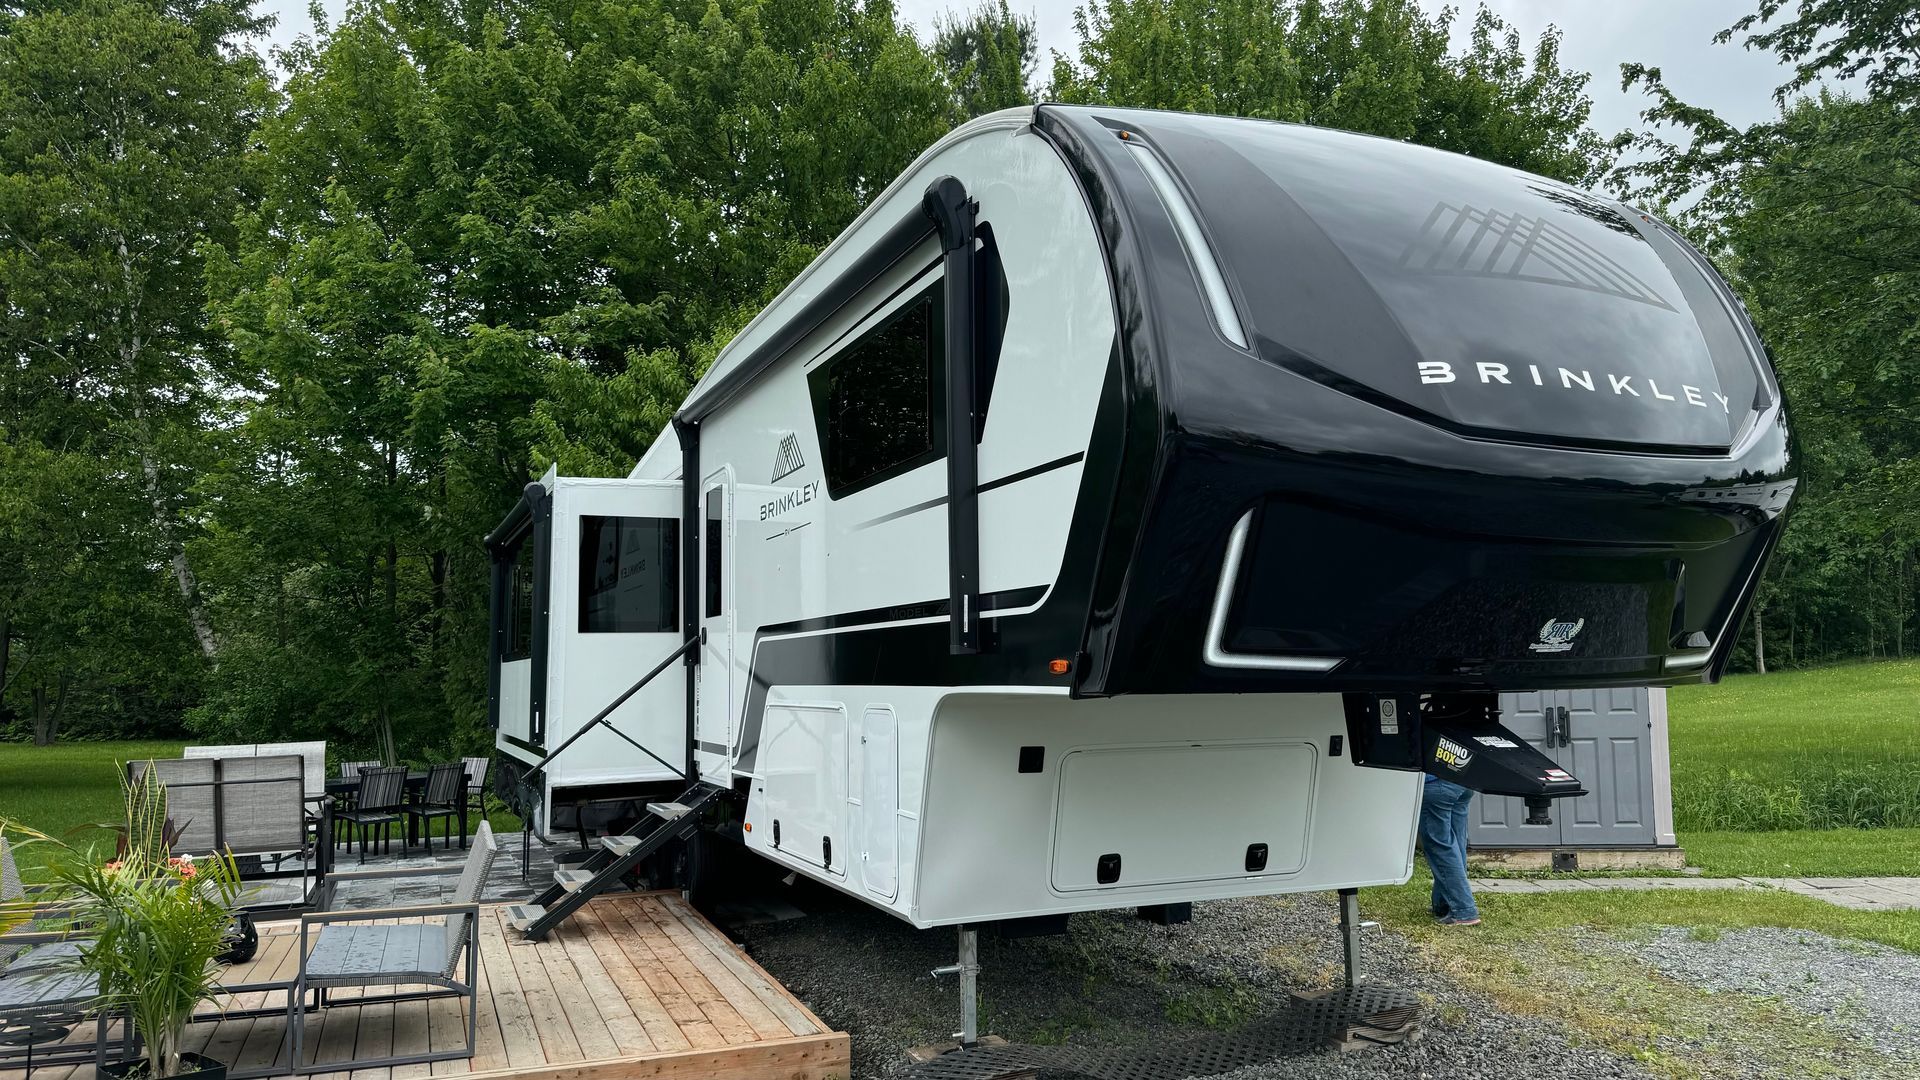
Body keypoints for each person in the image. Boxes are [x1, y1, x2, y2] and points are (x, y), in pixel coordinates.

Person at [1420, 773, 1479, 925]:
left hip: (1436, 784)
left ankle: (1463, 910)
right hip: (1463, 780)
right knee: (1456, 845)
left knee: (1440, 846)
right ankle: (1444, 904)